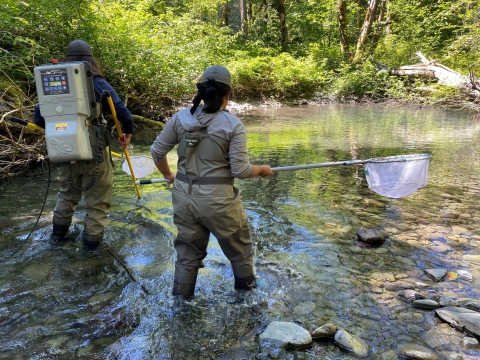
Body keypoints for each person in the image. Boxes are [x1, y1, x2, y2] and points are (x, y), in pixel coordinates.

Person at [150, 65, 274, 300]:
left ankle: (181, 304)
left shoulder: (181, 118)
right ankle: (247, 302)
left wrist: (169, 175)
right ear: (228, 95)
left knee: (187, 254)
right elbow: (240, 170)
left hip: (183, 195)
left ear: (202, 92)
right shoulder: (232, 125)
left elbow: (157, 151)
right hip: (218, 200)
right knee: (241, 250)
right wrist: (261, 170)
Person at [33, 39, 134, 250]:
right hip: (94, 151)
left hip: (61, 149)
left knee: (67, 195)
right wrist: (127, 135)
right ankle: (91, 252)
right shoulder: (96, 82)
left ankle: (56, 240)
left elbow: (39, 121)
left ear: (66, 58)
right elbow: (123, 114)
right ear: (91, 59)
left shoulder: (52, 80)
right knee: (97, 203)